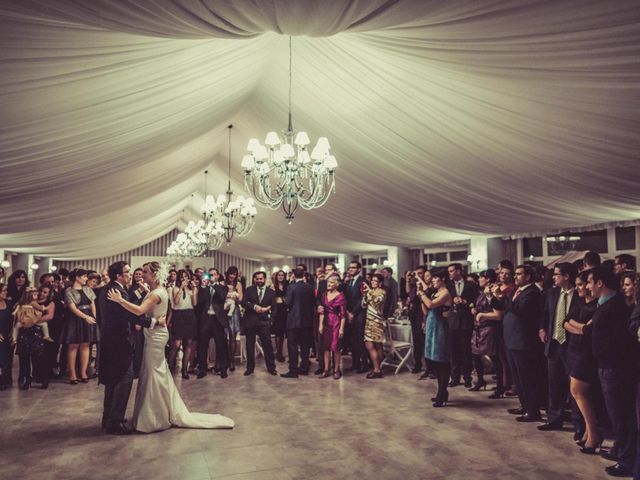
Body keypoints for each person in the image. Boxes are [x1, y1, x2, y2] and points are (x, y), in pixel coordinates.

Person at [107, 261, 233, 432]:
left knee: (154, 372)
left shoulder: (156, 294)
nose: (142, 274)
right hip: (154, 334)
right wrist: (145, 291)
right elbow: (151, 299)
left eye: (145, 272)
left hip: (155, 337)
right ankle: (158, 411)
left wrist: (120, 300)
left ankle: (155, 417)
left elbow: (138, 311)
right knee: (155, 371)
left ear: (154, 275)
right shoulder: (156, 291)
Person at [98, 261, 163, 435]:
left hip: (109, 339)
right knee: (124, 380)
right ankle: (115, 422)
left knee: (112, 381)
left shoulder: (107, 289)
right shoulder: (116, 291)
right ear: (119, 275)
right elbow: (131, 315)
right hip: (119, 341)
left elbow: (125, 307)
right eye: (127, 272)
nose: (131, 274)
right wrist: (154, 322)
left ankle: (107, 419)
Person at [588, 267, 637, 477]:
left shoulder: (614, 307)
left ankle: (626, 461)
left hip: (615, 368)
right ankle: (621, 452)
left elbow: (621, 342)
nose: (588, 287)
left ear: (600, 283)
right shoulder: (605, 304)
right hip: (607, 366)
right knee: (617, 415)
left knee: (622, 417)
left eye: (590, 282)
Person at [493, 264, 544, 422]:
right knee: (517, 377)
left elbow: (520, 309)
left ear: (528, 276)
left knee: (527, 377)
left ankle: (533, 410)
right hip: (511, 339)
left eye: (519, 274)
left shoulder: (533, 292)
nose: (516, 276)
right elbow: (503, 307)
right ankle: (524, 405)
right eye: (515, 274)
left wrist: (502, 297)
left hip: (524, 341)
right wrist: (494, 298)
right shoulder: (516, 290)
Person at [537, 262, 582, 433]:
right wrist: (541, 328)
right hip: (554, 344)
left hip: (573, 347)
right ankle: (554, 419)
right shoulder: (552, 293)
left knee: (574, 388)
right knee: (554, 385)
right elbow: (544, 314)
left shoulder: (579, 294)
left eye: (556, 274)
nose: (553, 278)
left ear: (566, 276)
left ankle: (579, 426)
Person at [563, 270, 600, 453]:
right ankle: (588, 431)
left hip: (587, 353)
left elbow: (589, 330)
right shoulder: (578, 301)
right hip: (574, 349)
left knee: (578, 390)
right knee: (579, 393)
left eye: (579, 285)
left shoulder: (597, 305)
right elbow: (565, 322)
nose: (577, 288)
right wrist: (580, 328)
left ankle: (594, 434)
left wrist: (576, 327)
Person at [418, 268, 453, 407]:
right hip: (432, 326)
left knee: (441, 361)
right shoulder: (436, 292)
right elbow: (426, 310)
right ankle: (442, 391)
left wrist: (422, 294)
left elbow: (431, 304)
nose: (432, 280)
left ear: (443, 279)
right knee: (434, 360)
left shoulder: (445, 293)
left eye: (435, 278)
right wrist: (423, 297)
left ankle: (442, 392)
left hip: (440, 328)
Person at [61, 269, 99, 384]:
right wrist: (85, 317)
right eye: (84, 276)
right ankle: (72, 373)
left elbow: (93, 304)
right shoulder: (69, 291)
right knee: (73, 346)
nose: (86, 278)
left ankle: (83, 372)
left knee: (86, 345)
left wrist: (93, 317)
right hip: (74, 319)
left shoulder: (88, 289)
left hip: (88, 318)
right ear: (77, 277)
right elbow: (72, 308)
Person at [11, 287, 51, 390]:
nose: (37, 296)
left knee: (36, 358)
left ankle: (40, 379)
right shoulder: (32, 303)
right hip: (27, 332)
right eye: (35, 295)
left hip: (33, 332)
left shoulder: (30, 304)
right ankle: (29, 379)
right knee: (26, 359)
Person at [469, 269, 503, 393]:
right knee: (475, 355)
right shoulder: (482, 292)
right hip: (479, 329)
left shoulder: (493, 291)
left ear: (488, 279)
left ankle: (500, 387)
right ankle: (480, 380)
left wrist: (482, 315)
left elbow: (498, 315)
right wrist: (475, 311)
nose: (478, 280)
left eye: (481, 277)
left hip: (490, 329)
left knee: (494, 358)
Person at [446, 263, 478, 388]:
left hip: (466, 320)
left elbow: (476, 300)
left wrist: (465, 301)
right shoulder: (448, 286)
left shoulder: (471, 284)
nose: (450, 273)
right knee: (453, 350)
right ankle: (454, 377)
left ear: (459, 271)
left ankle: (467, 377)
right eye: (449, 271)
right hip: (452, 320)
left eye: (451, 271)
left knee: (466, 350)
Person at [241, 271, 277, 376]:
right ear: (254, 279)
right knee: (249, 346)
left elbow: (274, 309)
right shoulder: (249, 289)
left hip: (264, 322)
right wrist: (254, 307)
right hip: (250, 321)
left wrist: (271, 321)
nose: (259, 281)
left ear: (265, 279)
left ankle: (271, 368)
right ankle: (249, 368)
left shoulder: (271, 292)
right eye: (257, 279)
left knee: (267, 345)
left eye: (261, 279)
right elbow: (243, 303)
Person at [281, 267, 315, 378]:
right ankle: (304, 368)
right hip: (307, 321)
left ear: (294, 276)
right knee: (305, 346)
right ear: (304, 275)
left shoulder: (292, 287)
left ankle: (293, 370)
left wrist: (284, 301)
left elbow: (287, 303)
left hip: (293, 321)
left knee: (292, 346)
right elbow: (312, 304)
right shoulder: (310, 288)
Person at [196, 268, 229, 379]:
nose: (211, 277)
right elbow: (199, 302)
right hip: (206, 319)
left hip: (217, 319)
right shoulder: (203, 288)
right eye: (209, 275)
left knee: (221, 345)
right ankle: (202, 369)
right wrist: (204, 286)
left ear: (217, 276)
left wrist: (214, 285)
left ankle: (223, 369)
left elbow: (221, 297)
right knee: (202, 346)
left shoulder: (222, 287)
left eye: (213, 275)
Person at [168, 269, 198, 379]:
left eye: (186, 276)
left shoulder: (192, 289)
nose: (184, 278)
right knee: (176, 344)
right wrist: (181, 288)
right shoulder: (174, 288)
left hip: (189, 315)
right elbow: (175, 302)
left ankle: (184, 369)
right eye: (182, 276)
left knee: (188, 343)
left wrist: (194, 289)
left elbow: (194, 303)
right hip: (179, 315)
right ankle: (169, 368)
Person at [318, 274, 346, 379]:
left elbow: (343, 315)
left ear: (336, 285)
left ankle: (336, 370)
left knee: (336, 348)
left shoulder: (341, 296)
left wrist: (342, 329)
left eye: (331, 283)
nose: (328, 284)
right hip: (326, 323)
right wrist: (320, 325)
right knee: (326, 347)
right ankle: (326, 369)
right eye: (328, 282)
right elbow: (322, 311)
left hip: (336, 323)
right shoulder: (325, 294)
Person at [362, 273, 387, 379]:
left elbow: (376, 303)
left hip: (377, 321)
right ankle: (377, 368)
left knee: (375, 345)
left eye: (375, 281)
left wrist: (368, 293)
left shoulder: (382, 292)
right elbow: (363, 305)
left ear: (380, 283)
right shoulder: (370, 292)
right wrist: (366, 294)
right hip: (369, 321)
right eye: (372, 280)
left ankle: (377, 369)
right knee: (372, 345)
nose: (372, 282)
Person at [345, 261, 367, 373]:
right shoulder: (349, 281)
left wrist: (353, 313)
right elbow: (347, 299)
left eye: (353, 268)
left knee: (360, 340)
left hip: (359, 315)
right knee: (352, 341)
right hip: (349, 315)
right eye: (350, 268)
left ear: (359, 269)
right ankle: (355, 363)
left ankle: (364, 365)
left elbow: (362, 299)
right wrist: (348, 312)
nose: (351, 270)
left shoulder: (363, 281)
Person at [406, 266, 427, 374]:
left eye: (420, 273)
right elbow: (408, 293)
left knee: (424, 340)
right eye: (416, 273)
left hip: (422, 314)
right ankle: (417, 363)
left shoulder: (426, 286)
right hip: (414, 315)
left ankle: (427, 366)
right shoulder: (415, 286)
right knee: (416, 341)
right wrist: (407, 279)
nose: (418, 275)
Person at [224, 266, 243, 371]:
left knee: (232, 336)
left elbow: (240, 298)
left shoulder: (238, 284)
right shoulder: (222, 283)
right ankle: (223, 360)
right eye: (231, 274)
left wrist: (232, 297)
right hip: (223, 311)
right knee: (222, 337)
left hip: (234, 311)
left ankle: (231, 361)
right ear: (227, 274)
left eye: (234, 274)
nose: (232, 276)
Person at [270, 270, 288, 363]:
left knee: (282, 333)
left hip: (285, 310)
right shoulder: (273, 286)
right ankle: (278, 353)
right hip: (277, 310)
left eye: (282, 275)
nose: (280, 277)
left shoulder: (287, 286)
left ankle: (280, 352)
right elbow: (272, 299)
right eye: (279, 275)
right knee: (277, 332)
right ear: (276, 277)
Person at [0, 283, 12, 389]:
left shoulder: (9, 303)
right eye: (4, 290)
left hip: (7, 333)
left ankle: (5, 379)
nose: (6, 292)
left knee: (6, 358)